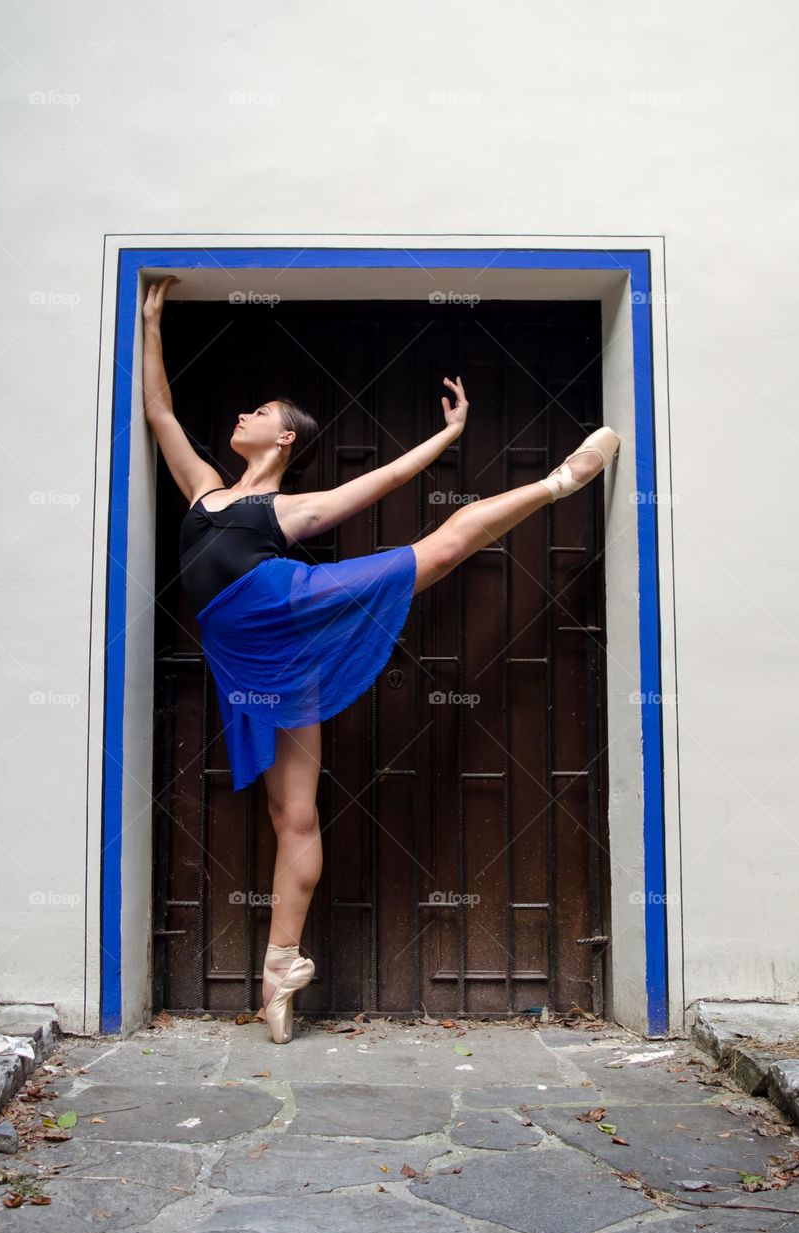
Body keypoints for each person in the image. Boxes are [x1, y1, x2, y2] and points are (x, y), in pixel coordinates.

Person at [142, 275, 621, 1043]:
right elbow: (160, 411)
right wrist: (149, 321)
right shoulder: (201, 488)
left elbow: (387, 479)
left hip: (296, 608)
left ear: (285, 438)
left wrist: (451, 439)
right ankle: (282, 968)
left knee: (437, 548)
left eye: (258, 412)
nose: (241, 415)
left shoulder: (288, 510)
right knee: (289, 811)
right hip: (250, 663)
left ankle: (560, 481)